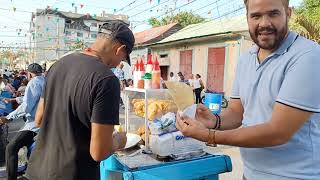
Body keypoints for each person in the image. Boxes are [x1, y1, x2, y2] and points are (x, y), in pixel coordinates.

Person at [176, 0, 320, 179]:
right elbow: (237, 112)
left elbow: (278, 132)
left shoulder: (308, 56)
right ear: (247, 17)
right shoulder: (247, 58)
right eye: (256, 15)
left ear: (288, 13)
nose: (264, 23)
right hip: (251, 174)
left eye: (273, 14)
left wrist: (209, 135)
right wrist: (213, 120)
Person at [25, 20, 133, 180]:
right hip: (73, 173)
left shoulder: (58, 65)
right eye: (122, 60)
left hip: (37, 170)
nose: (118, 65)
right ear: (120, 49)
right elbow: (99, 152)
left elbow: (39, 119)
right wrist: (118, 141)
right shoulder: (106, 79)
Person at [0, 63, 45, 180]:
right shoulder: (45, 81)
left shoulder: (34, 82)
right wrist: (13, 99)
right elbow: (31, 97)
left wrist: (9, 117)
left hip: (34, 125)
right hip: (42, 123)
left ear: (29, 73)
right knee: (28, 146)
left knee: (11, 148)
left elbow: (27, 105)